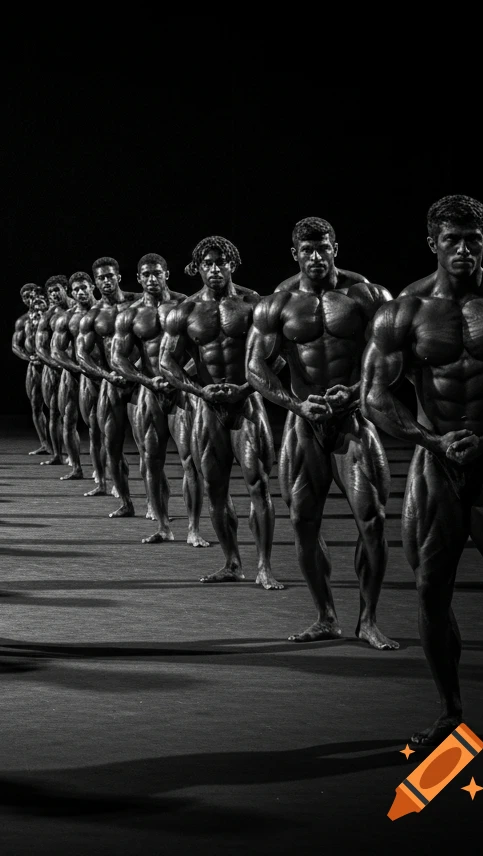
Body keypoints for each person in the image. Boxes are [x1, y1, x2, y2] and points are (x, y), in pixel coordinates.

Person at [361, 195, 483, 747]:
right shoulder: (404, 309)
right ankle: (451, 711)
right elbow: (375, 397)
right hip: (435, 466)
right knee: (432, 589)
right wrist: (433, 439)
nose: (463, 249)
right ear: (433, 243)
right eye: (451, 239)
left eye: (473, 238)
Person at [248, 217, 396, 647]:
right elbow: (255, 366)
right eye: (307, 250)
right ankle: (325, 616)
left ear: (336, 248)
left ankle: (368, 619)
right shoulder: (278, 302)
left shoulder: (367, 295)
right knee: (302, 521)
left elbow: (389, 358)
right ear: (295, 253)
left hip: (354, 420)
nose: (316, 257)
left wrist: (354, 393)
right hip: (303, 423)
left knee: (372, 520)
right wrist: (297, 404)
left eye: (323, 248)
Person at [160, 236, 282, 590]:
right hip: (207, 407)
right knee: (214, 488)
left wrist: (248, 387)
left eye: (221, 262)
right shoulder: (185, 311)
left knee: (258, 485)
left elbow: (279, 354)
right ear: (197, 267)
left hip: (247, 404)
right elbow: (166, 361)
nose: (215, 269)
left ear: (233, 263)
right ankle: (231, 562)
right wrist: (200, 390)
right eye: (208, 263)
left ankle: (264, 567)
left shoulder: (254, 304)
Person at [110, 254, 209, 545]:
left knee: (191, 461)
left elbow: (202, 349)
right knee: (151, 460)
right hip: (149, 391)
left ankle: (193, 529)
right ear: (138, 279)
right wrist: (146, 380)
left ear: (166, 273)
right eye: (146, 275)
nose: (152, 279)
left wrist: (178, 377)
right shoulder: (130, 314)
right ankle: (164, 526)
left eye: (157, 273)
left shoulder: (185, 306)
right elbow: (118, 357)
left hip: (181, 392)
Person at [77, 258, 140, 515]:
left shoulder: (138, 302)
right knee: (112, 445)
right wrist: (107, 375)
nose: (106, 281)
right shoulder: (93, 316)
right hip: (111, 382)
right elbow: (82, 356)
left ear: (118, 277)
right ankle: (126, 502)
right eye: (101, 278)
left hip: (139, 382)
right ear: (96, 282)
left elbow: (180, 300)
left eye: (110, 276)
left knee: (148, 449)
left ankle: (157, 509)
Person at [49, 272, 94, 481]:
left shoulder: (103, 310)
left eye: (83, 288)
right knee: (68, 420)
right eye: (76, 289)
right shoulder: (65, 317)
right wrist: (75, 367)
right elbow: (55, 350)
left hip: (98, 373)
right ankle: (76, 467)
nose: (80, 292)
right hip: (73, 372)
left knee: (98, 427)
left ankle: (103, 474)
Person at [12, 283, 51, 455]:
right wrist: (29, 357)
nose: (31, 298)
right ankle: (45, 443)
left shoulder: (52, 315)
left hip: (53, 365)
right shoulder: (22, 321)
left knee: (58, 408)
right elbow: (15, 345)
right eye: (27, 296)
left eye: (34, 294)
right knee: (36, 406)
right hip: (34, 366)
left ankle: (62, 444)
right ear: (23, 300)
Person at [35, 275, 69, 467]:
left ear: (66, 288)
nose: (54, 295)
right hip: (56, 369)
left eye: (57, 290)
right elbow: (40, 348)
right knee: (55, 412)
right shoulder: (49, 315)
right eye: (51, 292)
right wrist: (56, 364)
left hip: (83, 367)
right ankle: (57, 454)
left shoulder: (82, 308)